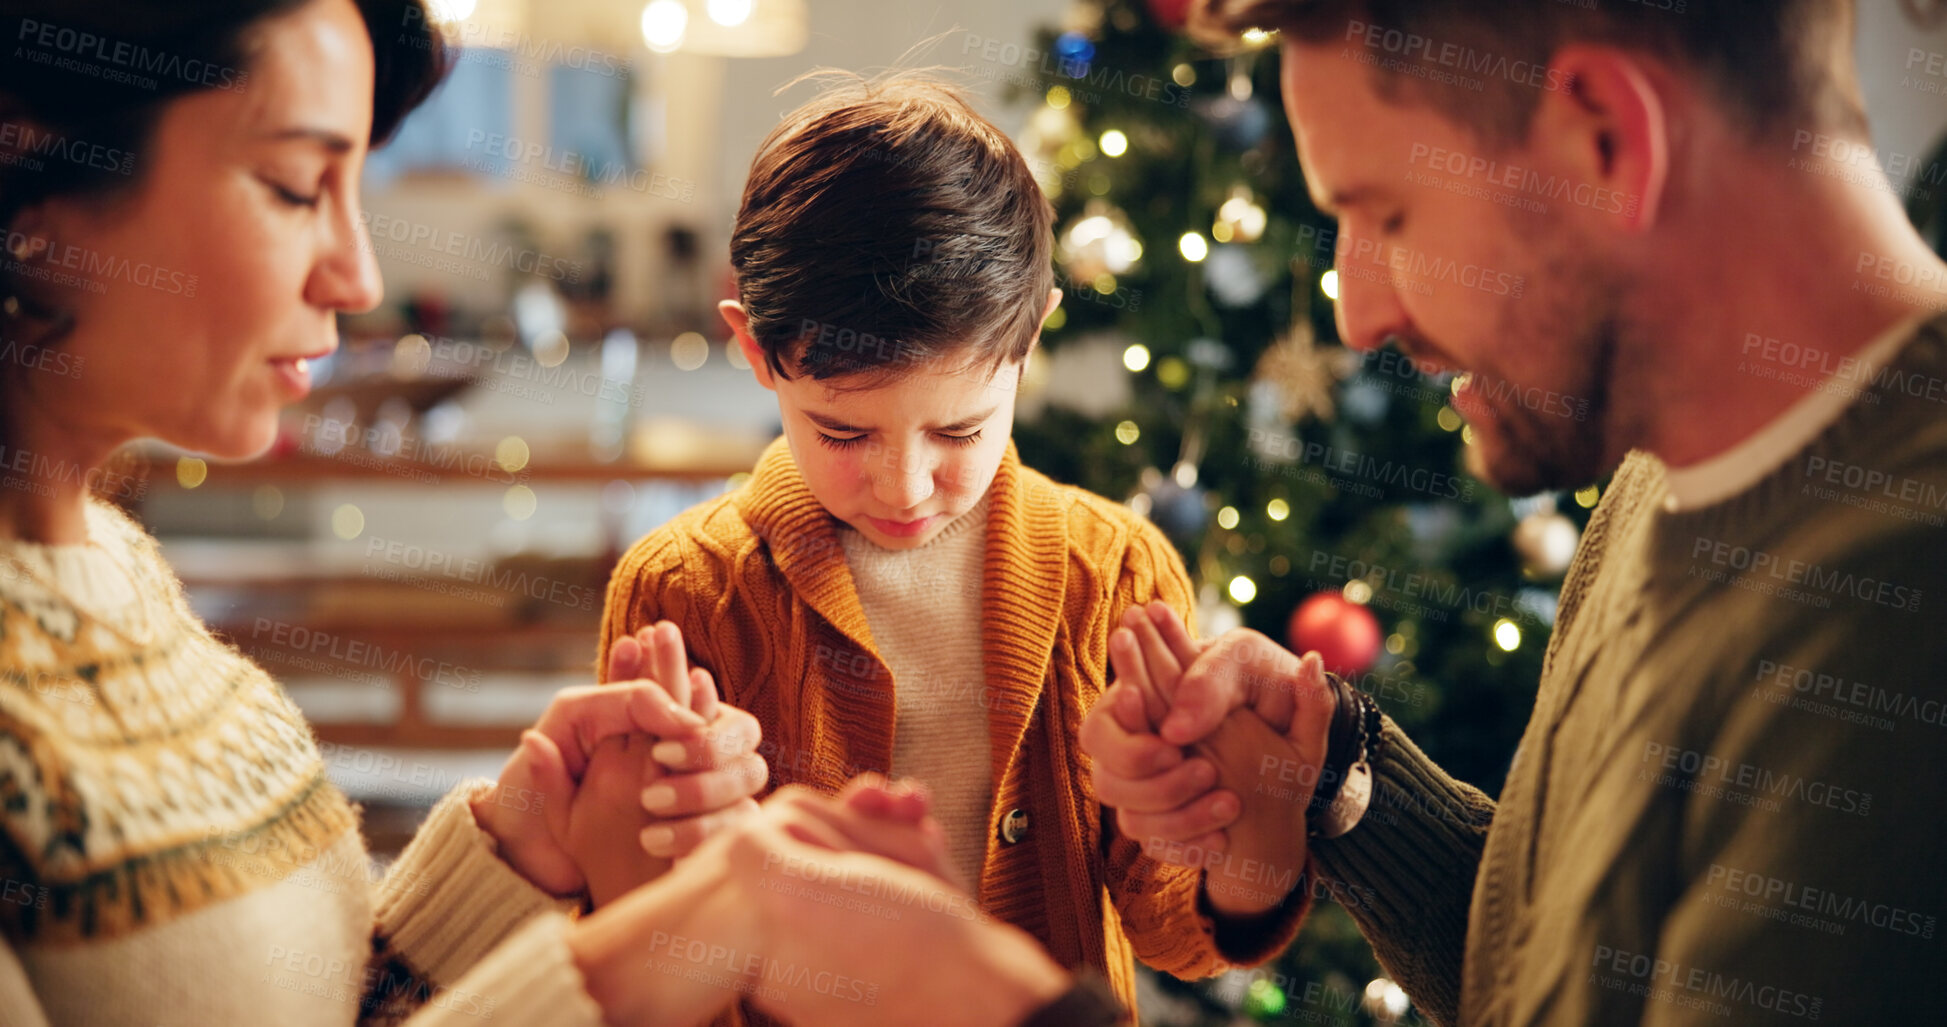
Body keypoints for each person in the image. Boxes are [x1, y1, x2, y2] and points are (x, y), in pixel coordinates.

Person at [0, 3, 1109, 1025]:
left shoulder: (115, 572)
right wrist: (713, 925)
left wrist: (521, 853)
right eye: (296, 185)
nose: (356, 270)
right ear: (29, 189)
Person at [1086, 1, 1947, 1024]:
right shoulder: (1661, 473)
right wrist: (1331, 776)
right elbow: (1575, 978)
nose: (1359, 315)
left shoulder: (1903, 610)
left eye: (1388, 215)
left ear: (1608, 139)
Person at [585, 72, 1307, 1024]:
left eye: (959, 433)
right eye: (844, 434)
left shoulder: (1117, 571)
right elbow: (638, 951)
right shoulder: (684, 591)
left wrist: (1256, 838)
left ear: (1030, 338)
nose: (905, 485)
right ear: (755, 352)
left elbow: (1173, 932)